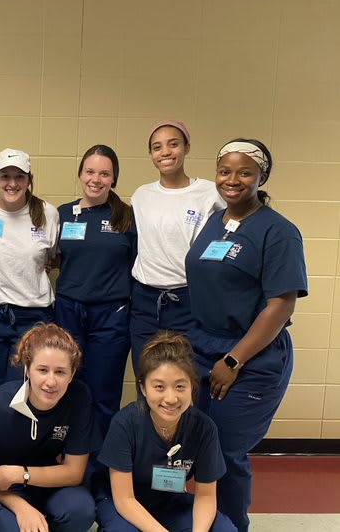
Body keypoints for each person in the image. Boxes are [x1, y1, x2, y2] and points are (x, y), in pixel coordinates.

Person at [185, 139, 308, 532]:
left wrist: (234, 360)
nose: (232, 180)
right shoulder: (215, 221)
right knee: (194, 446)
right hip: (202, 347)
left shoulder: (279, 232)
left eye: (244, 172)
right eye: (225, 171)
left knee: (225, 453)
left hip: (250, 356)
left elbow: (281, 306)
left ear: (261, 177)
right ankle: (197, 521)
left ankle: (232, 526)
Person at [97, 332, 236, 532]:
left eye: (180, 386)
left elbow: (206, 495)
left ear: (192, 386)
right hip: (123, 502)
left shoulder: (203, 428)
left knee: (224, 529)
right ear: (143, 388)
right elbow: (125, 499)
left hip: (169, 501)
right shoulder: (125, 424)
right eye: (159, 387)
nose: (170, 398)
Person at [0, 323, 97, 532]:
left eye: (60, 372)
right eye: (42, 370)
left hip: (50, 483)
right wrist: (20, 507)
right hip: (7, 487)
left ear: (71, 374)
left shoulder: (79, 398)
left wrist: (22, 474)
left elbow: (74, 472)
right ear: (27, 369)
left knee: (80, 510)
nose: (51, 381)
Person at [54, 144, 136, 437]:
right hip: (68, 310)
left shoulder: (127, 217)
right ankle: (69, 452)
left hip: (111, 314)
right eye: (90, 171)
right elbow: (52, 256)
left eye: (104, 174)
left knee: (103, 391)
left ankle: (100, 459)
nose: (96, 179)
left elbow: (137, 264)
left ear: (114, 179)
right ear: (80, 174)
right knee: (67, 384)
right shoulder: (63, 214)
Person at [129, 120, 225, 371]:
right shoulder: (141, 196)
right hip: (145, 301)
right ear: (151, 154)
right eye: (157, 147)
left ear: (187, 148)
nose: (165, 152)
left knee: (187, 374)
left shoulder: (210, 193)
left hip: (188, 299)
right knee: (146, 374)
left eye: (173, 144)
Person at [0, 148, 60, 396]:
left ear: (29, 179)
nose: (12, 183)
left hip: (34, 314)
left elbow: (53, 255)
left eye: (19, 176)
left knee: (22, 390)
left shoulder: (47, 213)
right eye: (5, 176)